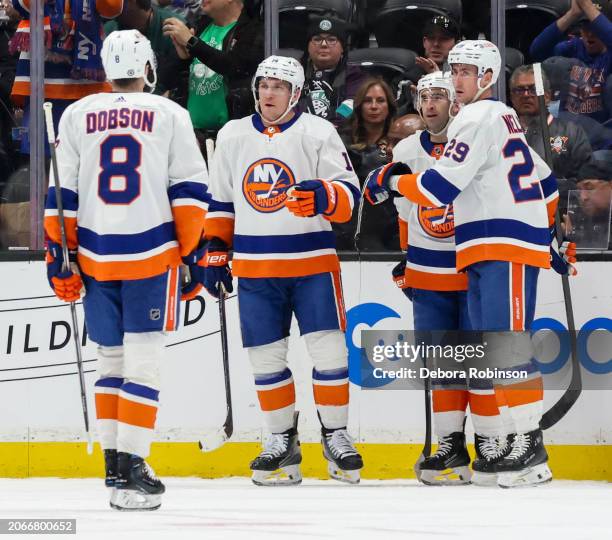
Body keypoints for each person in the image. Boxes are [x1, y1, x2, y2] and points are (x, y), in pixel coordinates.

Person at [364, 40, 574, 488]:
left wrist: (391, 180)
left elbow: (440, 188)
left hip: (503, 243)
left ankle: (530, 445)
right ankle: (516, 440)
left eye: (466, 72)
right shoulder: (498, 117)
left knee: (508, 346)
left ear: (487, 78)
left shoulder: (478, 117)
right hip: (483, 245)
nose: (457, 79)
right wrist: (547, 234)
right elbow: (546, 184)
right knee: (496, 349)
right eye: (453, 70)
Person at [43, 30, 209, 510]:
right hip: (151, 252)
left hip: (95, 255)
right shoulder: (171, 114)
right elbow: (190, 192)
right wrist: (192, 252)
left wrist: (61, 254)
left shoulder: (76, 114)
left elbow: (61, 195)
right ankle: (135, 464)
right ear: (148, 66)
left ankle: (116, 466)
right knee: (144, 362)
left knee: (109, 362)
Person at [202, 55, 363, 486]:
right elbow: (220, 202)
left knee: (330, 354)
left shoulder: (318, 132)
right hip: (256, 270)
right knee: (265, 359)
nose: (268, 93)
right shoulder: (233, 135)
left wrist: (324, 197)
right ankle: (280, 440)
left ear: (295, 94)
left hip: (313, 267)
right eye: (263, 85)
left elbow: (350, 195)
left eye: (278, 86)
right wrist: (215, 248)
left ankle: (336, 434)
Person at [391, 72, 473, 486]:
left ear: (455, 101)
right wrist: (406, 261)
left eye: (439, 96)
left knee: (486, 360)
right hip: (427, 269)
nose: (430, 105)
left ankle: (494, 442)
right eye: (424, 97)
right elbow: (406, 210)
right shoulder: (407, 147)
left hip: (473, 266)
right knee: (444, 364)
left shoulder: (473, 141)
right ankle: (450, 445)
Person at [163, 0, 264, 132]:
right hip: (192, 132)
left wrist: (192, 42)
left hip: (232, 134)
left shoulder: (253, 29)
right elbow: (167, 79)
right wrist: (184, 59)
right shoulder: (200, 25)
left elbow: (235, 66)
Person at [509, 64, 593, 212]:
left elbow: (585, 184)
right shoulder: (503, 134)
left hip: (559, 215)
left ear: (547, 96)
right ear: (511, 97)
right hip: (515, 216)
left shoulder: (571, 132)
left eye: (533, 89)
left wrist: (547, 187)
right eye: (519, 90)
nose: (526, 94)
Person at [336, 78, 399, 250]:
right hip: (350, 228)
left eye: (380, 100)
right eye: (367, 100)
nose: (373, 106)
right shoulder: (341, 142)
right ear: (359, 106)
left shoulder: (401, 141)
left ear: (389, 106)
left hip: (393, 229)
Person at [529, 0, 612, 124]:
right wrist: (572, 14)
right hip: (566, 128)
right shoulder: (571, 48)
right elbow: (537, 50)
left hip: (601, 131)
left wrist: (586, 5)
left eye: (595, 28)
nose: (589, 34)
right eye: (585, 27)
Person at [299, 15, 364, 128]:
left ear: (342, 48)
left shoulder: (354, 76)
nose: (324, 44)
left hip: (340, 134)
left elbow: (350, 105)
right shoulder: (295, 73)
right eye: (317, 39)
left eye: (331, 40)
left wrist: (331, 125)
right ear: (308, 46)